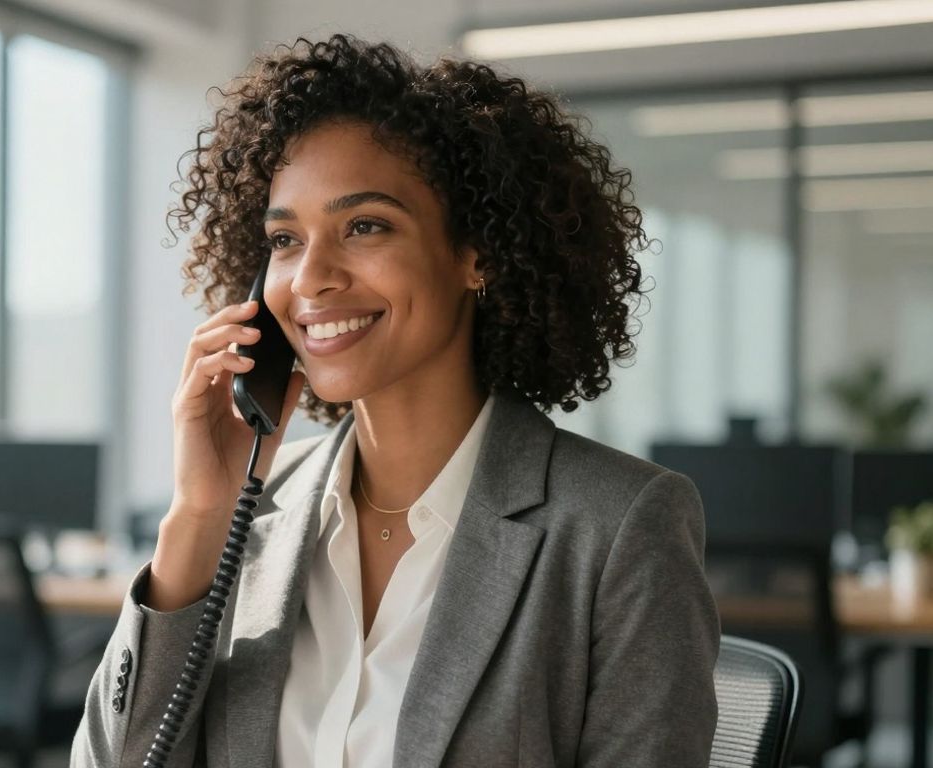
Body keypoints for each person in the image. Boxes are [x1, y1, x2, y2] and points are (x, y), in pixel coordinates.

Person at [72, 33, 719, 768]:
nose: (309, 278)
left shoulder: (619, 526)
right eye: (284, 239)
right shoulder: (250, 514)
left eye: (365, 226)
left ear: (477, 254)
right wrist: (198, 516)